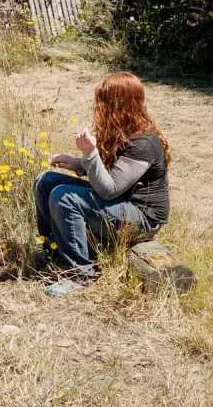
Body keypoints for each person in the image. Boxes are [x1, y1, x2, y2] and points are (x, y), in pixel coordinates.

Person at [34, 72, 171, 296]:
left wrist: (89, 154)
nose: (97, 107)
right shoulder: (123, 131)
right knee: (45, 181)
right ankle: (54, 253)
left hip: (144, 218)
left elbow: (109, 190)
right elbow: (111, 176)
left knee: (65, 197)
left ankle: (80, 274)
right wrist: (78, 163)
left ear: (120, 104)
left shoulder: (144, 142)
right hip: (121, 202)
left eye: (102, 102)